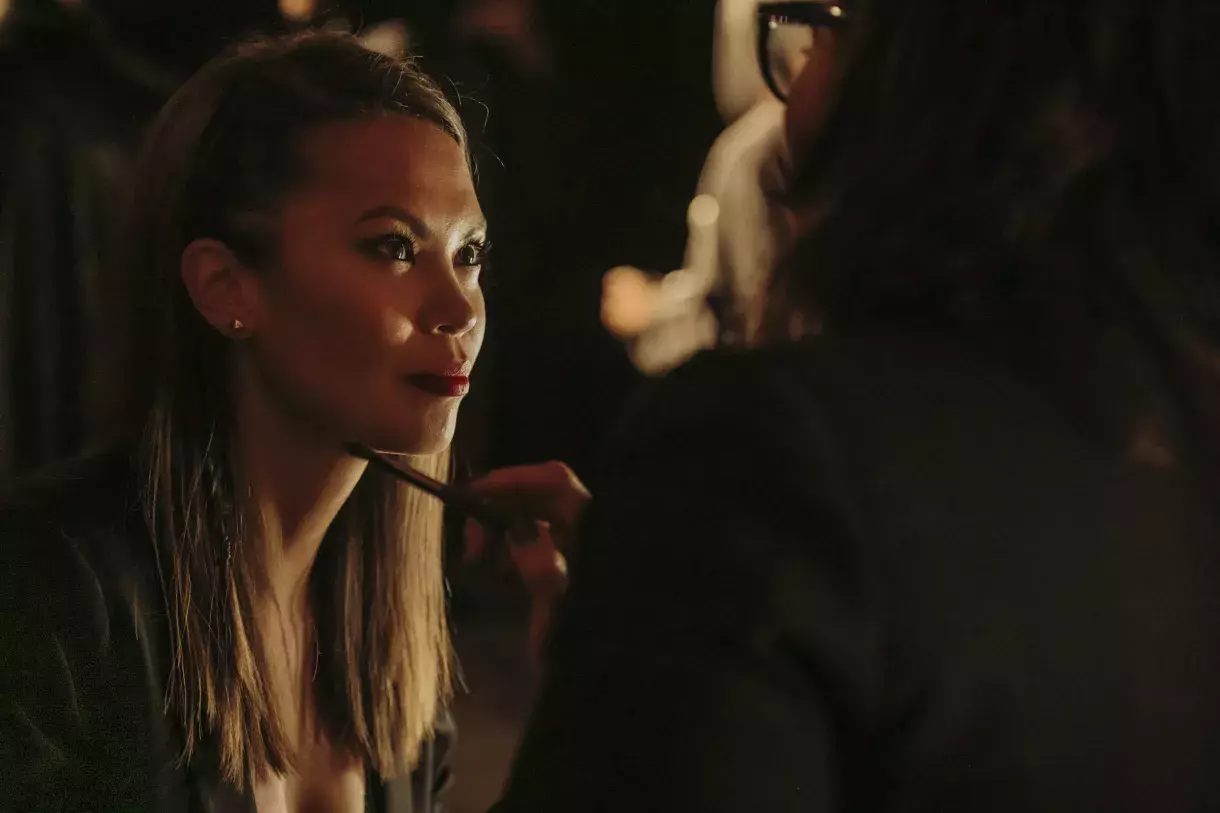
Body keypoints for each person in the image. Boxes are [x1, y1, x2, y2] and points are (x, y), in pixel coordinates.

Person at [493, 0, 1220, 810]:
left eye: (825, 29)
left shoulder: (771, 461)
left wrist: (654, 632)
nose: (796, 86)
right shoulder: (1176, 446)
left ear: (929, 73)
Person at [0, 30, 574, 813]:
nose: (459, 307)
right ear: (225, 287)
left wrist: (590, 675)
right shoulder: (52, 602)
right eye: (394, 246)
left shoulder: (384, 644)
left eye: (469, 253)